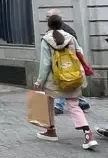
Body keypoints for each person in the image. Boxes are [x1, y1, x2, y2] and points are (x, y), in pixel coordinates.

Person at [34, 14, 97, 150]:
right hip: (72, 76)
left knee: (47, 103)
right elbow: (80, 53)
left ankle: (51, 131)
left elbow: (45, 64)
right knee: (74, 106)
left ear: (48, 25)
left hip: (54, 79)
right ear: (61, 24)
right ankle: (88, 135)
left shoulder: (46, 40)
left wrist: (40, 81)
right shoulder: (71, 38)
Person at [46, 10, 90, 114]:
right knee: (66, 85)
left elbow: (76, 48)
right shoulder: (54, 30)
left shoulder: (65, 31)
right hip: (63, 63)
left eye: (48, 16)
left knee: (63, 84)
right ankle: (81, 102)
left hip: (65, 63)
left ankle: (59, 105)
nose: (46, 18)